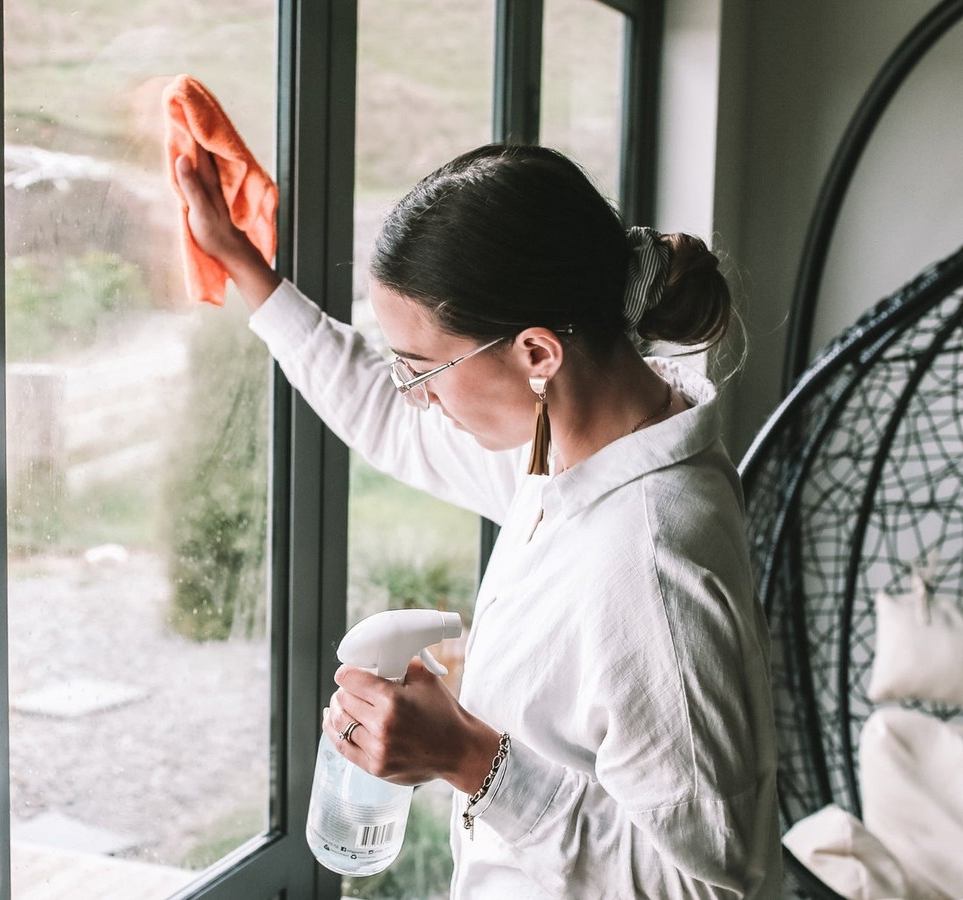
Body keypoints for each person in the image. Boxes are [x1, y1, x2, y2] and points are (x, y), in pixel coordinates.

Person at [175, 142, 781, 898]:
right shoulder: (571, 444)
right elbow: (382, 414)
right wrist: (240, 261)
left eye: (420, 368)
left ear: (536, 353)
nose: (414, 393)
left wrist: (471, 759)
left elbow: (704, 889)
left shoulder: (651, 562)